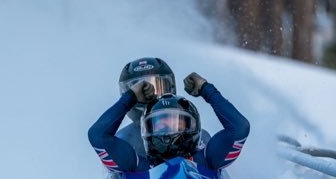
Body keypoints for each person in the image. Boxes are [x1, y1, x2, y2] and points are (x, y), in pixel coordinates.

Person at [88, 63, 250, 172]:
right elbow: (97, 135)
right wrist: (130, 97)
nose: (167, 133)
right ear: (147, 131)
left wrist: (207, 90)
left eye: (176, 124)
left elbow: (239, 128)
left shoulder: (207, 158)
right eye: (160, 126)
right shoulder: (137, 165)